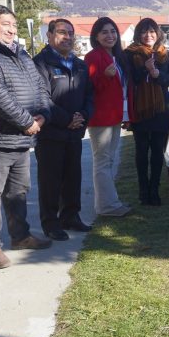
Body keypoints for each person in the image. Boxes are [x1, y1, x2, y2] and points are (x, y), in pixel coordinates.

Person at [0, 4, 52, 269]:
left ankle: (20, 237)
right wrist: (25, 121)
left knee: (18, 192)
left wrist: (43, 113)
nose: (11, 29)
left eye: (14, 25)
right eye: (5, 24)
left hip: (22, 140)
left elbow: (41, 86)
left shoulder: (21, 54)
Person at [33, 19, 95, 241]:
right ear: (49, 36)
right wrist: (67, 119)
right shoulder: (40, 64)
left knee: (73, 176)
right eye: (61, 32)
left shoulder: (80, 65)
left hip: (74, 132)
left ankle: (71, 216)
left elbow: (89, 95)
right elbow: (41, 99)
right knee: (50, 180)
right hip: (51, 133)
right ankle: (51, 222)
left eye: (70, 33)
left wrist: (84, 115)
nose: (67, 37)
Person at [123, 18, 169, 206]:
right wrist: (145, 69)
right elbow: (128, 79)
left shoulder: (165, 54)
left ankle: (154, 190)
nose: (148, 35)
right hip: (140, 110)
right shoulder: (130, 54)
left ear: (158, 34)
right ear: (138, 34)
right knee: (141, 152)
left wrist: (159, 75)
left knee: (157, 152)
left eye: (152, 32)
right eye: (144, 32)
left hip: (161, 110)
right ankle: (143, 191)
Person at [84, 17, 132, 217]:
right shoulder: (93, 57)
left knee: (109, 160)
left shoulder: (116, 56)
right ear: (96, 35)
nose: (110, 35)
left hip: (114, 116)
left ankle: (109, 202)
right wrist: (105, 76)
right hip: (100, 118)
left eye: (113, 31)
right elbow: (89, 88)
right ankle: (107, 207)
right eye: (104, 32)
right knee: (103, 161)